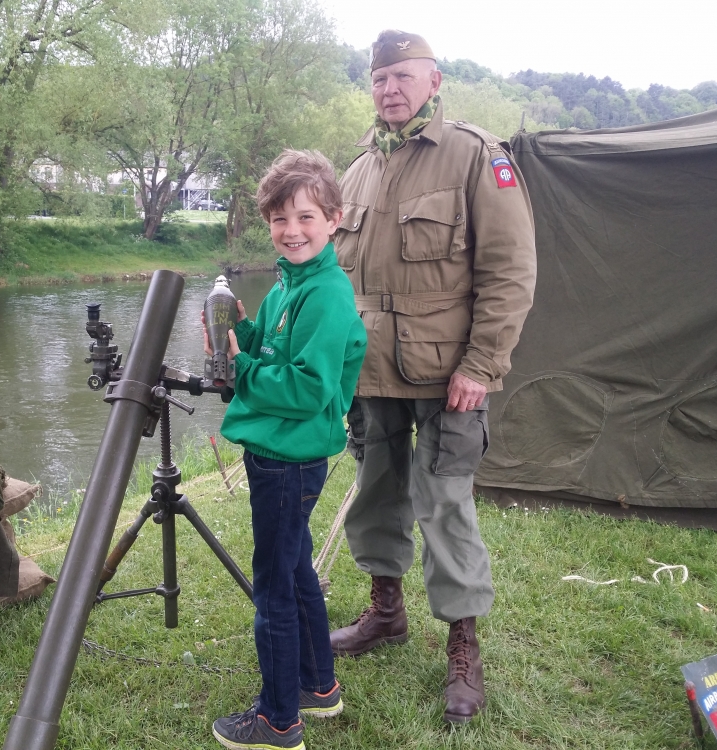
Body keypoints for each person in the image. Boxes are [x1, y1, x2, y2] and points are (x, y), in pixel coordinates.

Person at [330, 30, 537, 724]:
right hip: (371, 371)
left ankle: (462, 644)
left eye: (403, 76)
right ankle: (385, 612)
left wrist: (482, 364)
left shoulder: (476, 155)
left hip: (450, 373)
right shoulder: (357, 169)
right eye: (379, 78)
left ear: (434, 80)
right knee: (375, 493)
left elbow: (511, 272)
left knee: (445, 503)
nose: (389, 89)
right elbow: (336, 279)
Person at [208, 149, 367, 750]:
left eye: (306, 217)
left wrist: (242, 368)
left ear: (334, 219)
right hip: (278, 453)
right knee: (296, 567)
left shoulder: (325, 293)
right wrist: (242, 334)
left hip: (289, 459)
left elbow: (307, 388)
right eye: (280, 219)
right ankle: (318, 686)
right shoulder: (288, 284)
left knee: (273, 588)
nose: (292, 230)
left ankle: (278, 721)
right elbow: (276, 350)